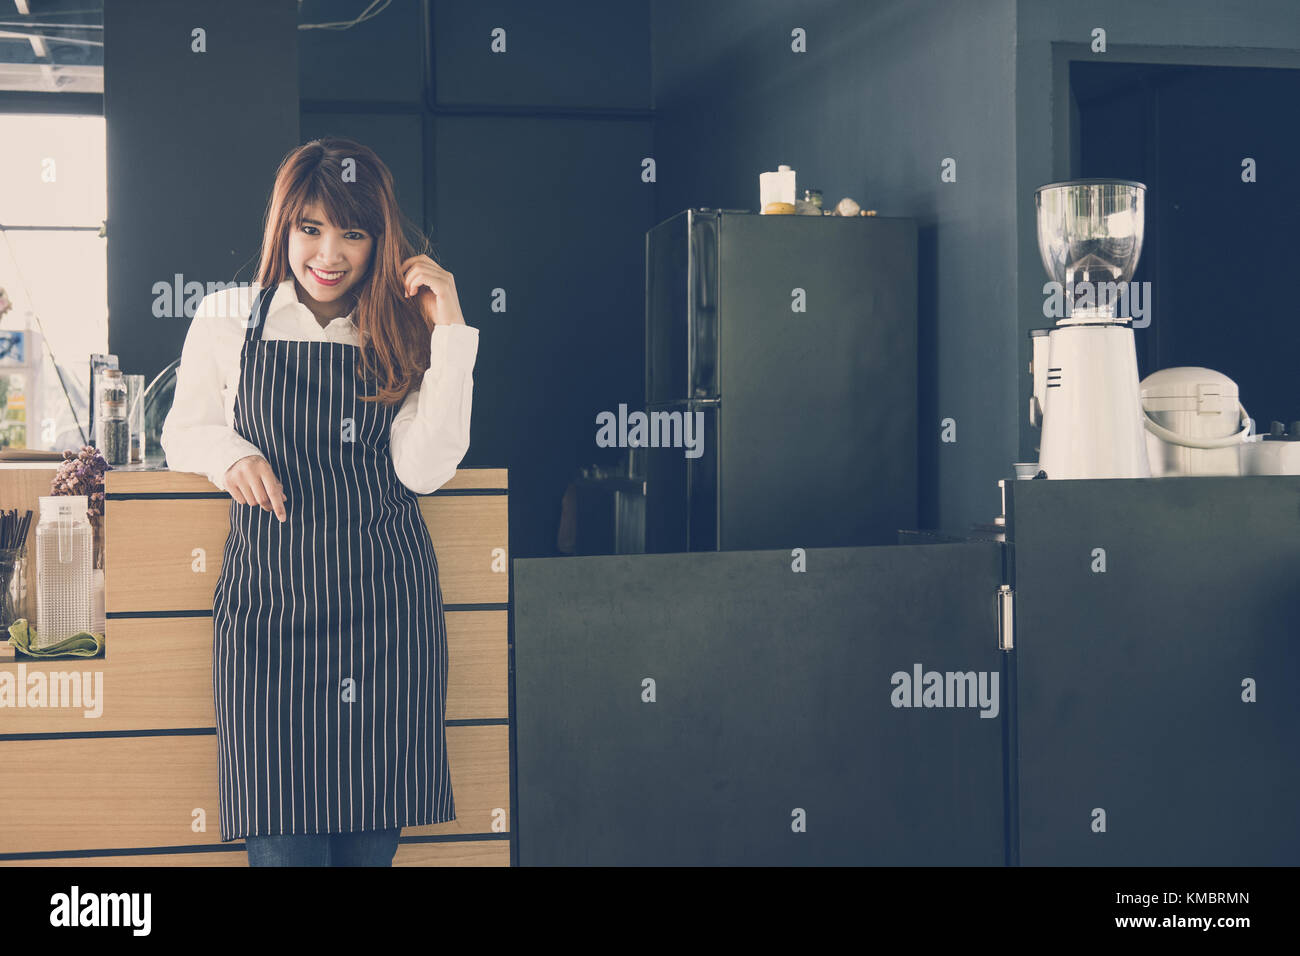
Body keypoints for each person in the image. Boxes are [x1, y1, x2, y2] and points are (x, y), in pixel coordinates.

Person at [160, 137, 478, 866]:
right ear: (285, 226)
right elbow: (185, 430)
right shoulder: (227, 316)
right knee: (283, 847)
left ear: (379, 240)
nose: (328, 253)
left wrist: (452, 332)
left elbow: (425, 469)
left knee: (369, 847)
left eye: (353, 233)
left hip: (385, 616)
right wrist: (231, 453)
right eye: (311, 228)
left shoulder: (398, 329)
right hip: (269, 615)